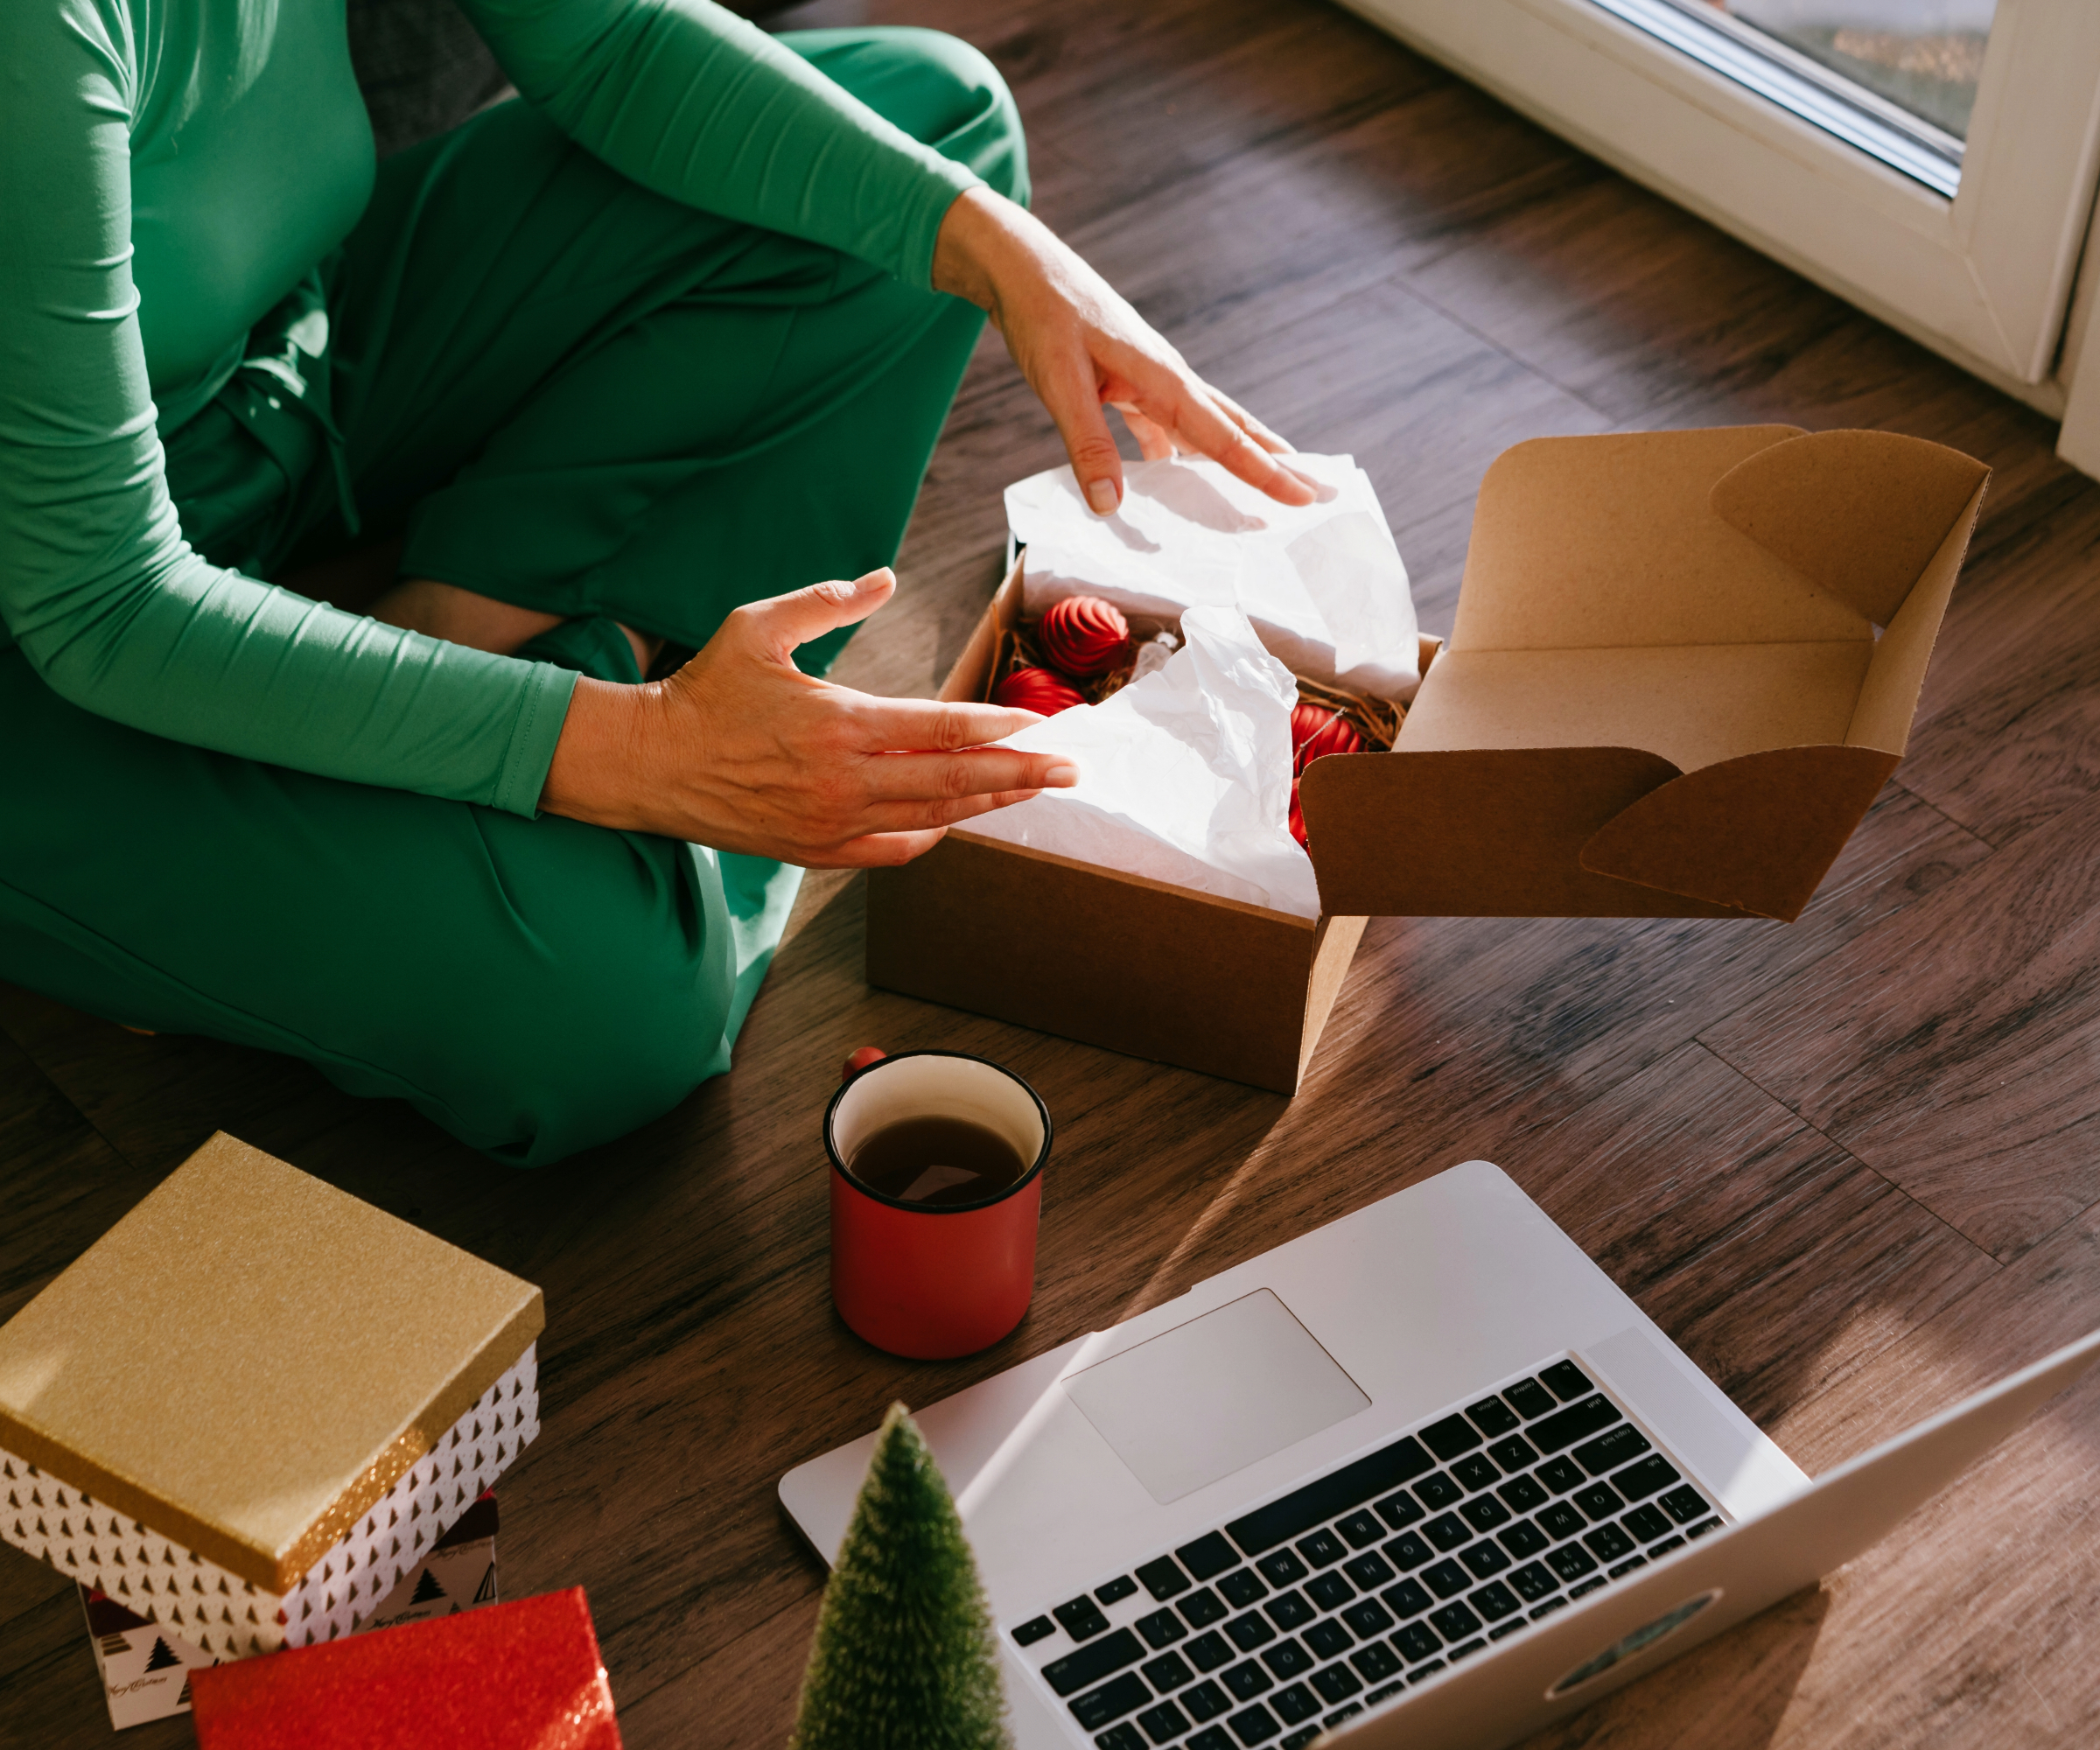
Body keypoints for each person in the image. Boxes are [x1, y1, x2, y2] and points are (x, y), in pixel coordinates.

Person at [0, 0, 1314, 1165]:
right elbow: (101, 602)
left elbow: (615, 41)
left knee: (932, 135)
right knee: (610, 1006)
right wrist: (629, 752)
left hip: (279, 362)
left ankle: (471, 654)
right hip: (56, 618)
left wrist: (1011, 255)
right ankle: (572, 701)